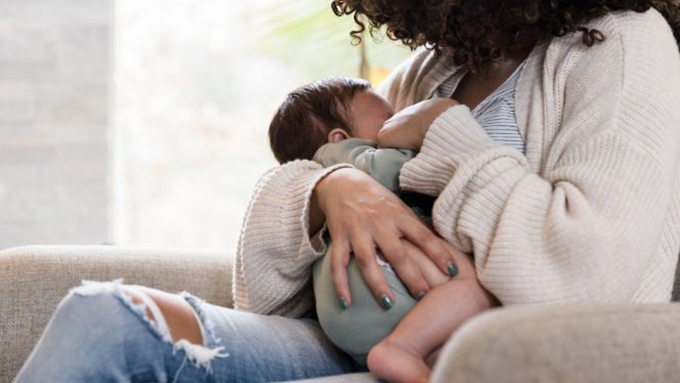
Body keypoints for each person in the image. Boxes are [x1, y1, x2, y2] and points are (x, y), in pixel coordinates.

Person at [13, 2, 680, 383]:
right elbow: (268, 291)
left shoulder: (623, 44)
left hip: (471, 355)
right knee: (106, 316)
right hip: (351, 338)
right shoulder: (436, 67)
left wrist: (450, 139)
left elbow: (592, 278)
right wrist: (331, 185)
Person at [267, 77, 496, 382]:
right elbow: (396, 170)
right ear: (340, 137)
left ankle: (412, 355)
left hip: (344, 311)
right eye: (389, 120)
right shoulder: (344, 158)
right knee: (479, 287)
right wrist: (429, 129)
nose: (398, 123)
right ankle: (401, 347)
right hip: (373, 282)